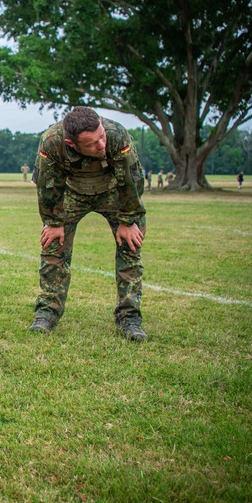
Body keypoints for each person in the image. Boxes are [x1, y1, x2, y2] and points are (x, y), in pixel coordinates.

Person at [28, 106, 147, 341]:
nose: (101, 145)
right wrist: (53, 222)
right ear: (72, 143)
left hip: (113, 191)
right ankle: (47, 313)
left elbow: (131, 180)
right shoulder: (52, 142)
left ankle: (129, 317)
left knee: (130, 247)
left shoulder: (116, 135)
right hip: (72, 192)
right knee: (53, 248)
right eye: (92, 143)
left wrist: (128, 220)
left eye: (101, 137)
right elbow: (47, 183)